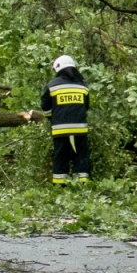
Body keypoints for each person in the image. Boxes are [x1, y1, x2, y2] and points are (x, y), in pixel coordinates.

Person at [40, 55, 90, 184]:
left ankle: (60, 184)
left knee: (61, 156)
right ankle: (82, 182)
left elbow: (45, 106)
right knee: (81, 156)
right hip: (80, 128)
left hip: (59, 129)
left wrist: (51, 118)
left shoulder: (52, 86)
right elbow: (86, 106)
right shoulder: (82, 86)